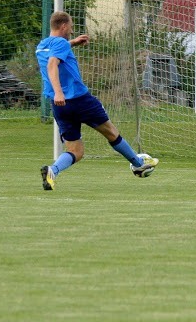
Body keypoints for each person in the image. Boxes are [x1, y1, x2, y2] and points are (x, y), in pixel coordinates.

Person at [35, 11, 158, 191]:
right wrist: (59, 92)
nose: (71, 29)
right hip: (79, 100)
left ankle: (52, 171)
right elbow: (52, 64)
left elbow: (53, 53)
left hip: (59, 106)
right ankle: (138, 163)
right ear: (63, 26)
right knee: (111, 132)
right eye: (70, 26)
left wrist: (73, 42)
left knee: (75, 151)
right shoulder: (60, 43)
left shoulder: (42, 46)